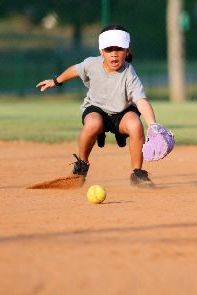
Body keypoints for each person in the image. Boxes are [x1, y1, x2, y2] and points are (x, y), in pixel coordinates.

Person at [36, 24, 157, 187]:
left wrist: (153, 126)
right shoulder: (91, 64)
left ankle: (137, 173)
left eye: (119, 49)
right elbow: (75, 70)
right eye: (109, 49)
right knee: (93, 123)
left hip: (122, 112)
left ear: (127, 51)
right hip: (96, 109)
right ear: (101, 51)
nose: (114, 54)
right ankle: (81, 166)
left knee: (135, 125)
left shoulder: (129, 72)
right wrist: (55, 81)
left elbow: (141, 100)